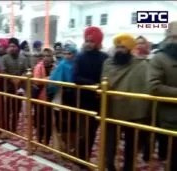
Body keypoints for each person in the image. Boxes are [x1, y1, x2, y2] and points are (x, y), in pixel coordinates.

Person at [102, 33, 150, 171]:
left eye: (123, 47)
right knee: (109, 144)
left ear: (129, 49)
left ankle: (127, 168)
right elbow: (104, 82)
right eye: (118, 47)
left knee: (132, 144)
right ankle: (109, 166)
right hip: (111, 110)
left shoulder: (141, 65)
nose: (119, 50)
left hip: (132, 112)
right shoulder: (107, 63)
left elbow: (145, 87)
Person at [73, 26, 108, 163]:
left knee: (92, 132)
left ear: (98, 42)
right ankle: (80, 158)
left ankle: (84, 158)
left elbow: (107, 76)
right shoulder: (80, 57)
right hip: (83, 99)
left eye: (91, 41)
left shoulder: (105, 58)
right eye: (87, 41)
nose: (88, 43)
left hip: (98, 100)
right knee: (83, 132)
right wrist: (94, 85)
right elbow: (76, 78)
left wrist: (99, 87)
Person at [148, 21, 177, 170]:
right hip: (170, 117)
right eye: (175, 37)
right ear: (169, 39)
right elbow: (154, 86)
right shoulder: (159, 58)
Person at [47, 45, 77, 153]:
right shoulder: (61, 65)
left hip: (74, 98)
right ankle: (62, 147)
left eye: (70, 53)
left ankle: (71, 146)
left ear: (74, 54)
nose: (67, 56)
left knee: (72, 122)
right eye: (65, 53)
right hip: (60, 98)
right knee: (61, 122)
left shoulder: (76, 65)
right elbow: (52, 84)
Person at [0, 37, 29, 133]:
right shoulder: (4, 58)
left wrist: (20, 79)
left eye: (14, 46)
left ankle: (13, 129)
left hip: (20, 88)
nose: (12, 48)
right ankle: (6, 129)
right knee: (7, 110)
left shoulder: (23, 58)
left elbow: (27, 71)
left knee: (17, 110)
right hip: (8, 88)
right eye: (10, 46)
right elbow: (3, 71)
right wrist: (13, 79)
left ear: (18, 47)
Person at [33, 48, 55, 145]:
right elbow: (37, 81)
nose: (46, 58)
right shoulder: (38, 66)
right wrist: (49, 78)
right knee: (39, 119)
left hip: (51, 98)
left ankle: (46, 141)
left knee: (49, 121)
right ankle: (39, 139)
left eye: (49, 56)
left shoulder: (55, 67)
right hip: (40, 98)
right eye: (45, 56)